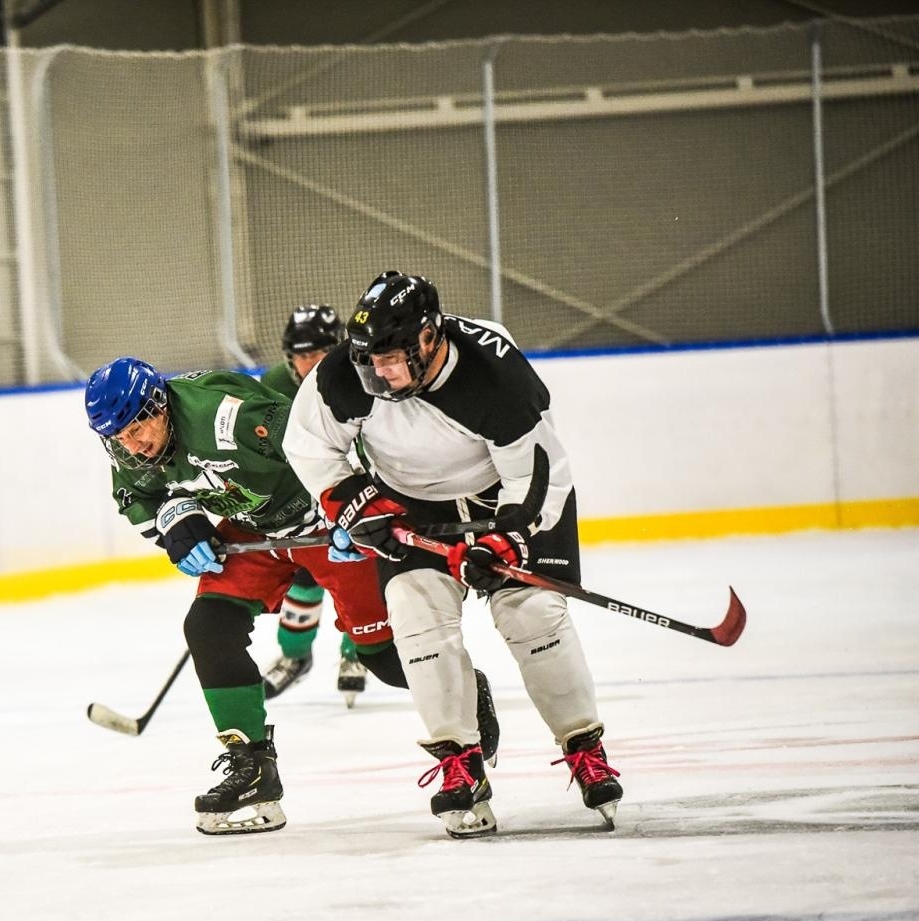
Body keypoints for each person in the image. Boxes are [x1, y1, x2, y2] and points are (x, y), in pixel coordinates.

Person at [284, 270, 622, 838]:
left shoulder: (493, 370)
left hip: (506, 501)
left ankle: (585, 748)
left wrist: (500, 542)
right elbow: (309, 447)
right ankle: (459, 763)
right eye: (371, 361)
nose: (380, 374)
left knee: (532, 615)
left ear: (429, 336)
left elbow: (538, 476)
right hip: (411, 508)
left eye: (392, 359)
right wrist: (357, 506)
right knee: (418, 621)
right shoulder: (345, 373)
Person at [84, 356, 439, 836]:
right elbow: (139, 498)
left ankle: (465, 697)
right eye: (119, 436)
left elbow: (333, 443)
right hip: (256, 532)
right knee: (208, 626)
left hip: (323, 525)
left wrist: (357, 505)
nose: (134, 443)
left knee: (381, 657)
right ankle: (252, 769)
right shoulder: (127, 450)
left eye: (139, 425)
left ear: (160, 403)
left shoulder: (228, 419)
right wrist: (175, 523)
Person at [257, 305, 368, 706]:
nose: (308, 364)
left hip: (354, 491)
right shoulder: (271, 385)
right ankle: (294, 656)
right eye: (301, 355)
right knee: (305, 572)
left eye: (317, 353)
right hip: (300, 497)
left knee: (356, 571)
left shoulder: (363, 375)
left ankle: (358, 653)